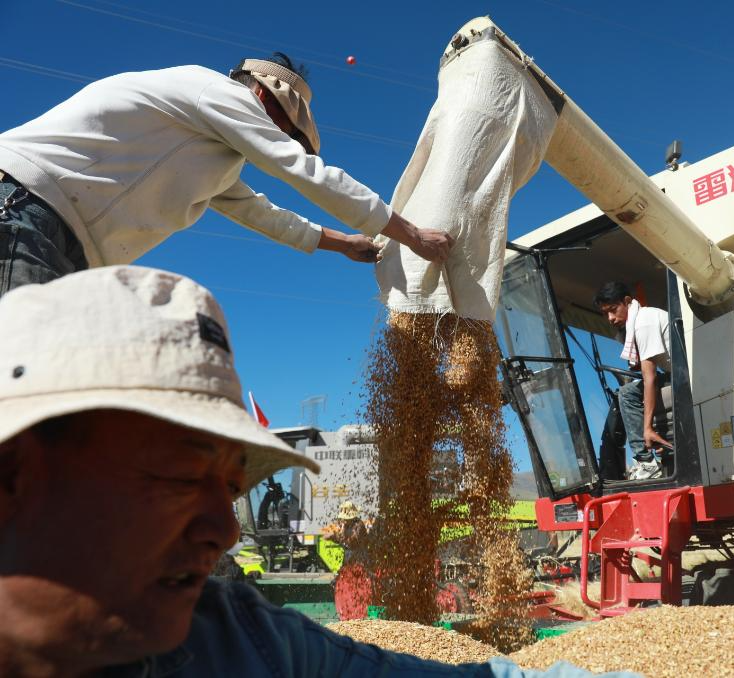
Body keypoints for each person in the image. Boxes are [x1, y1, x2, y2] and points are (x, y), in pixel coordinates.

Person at [0, 265, 639, 678]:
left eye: (232, 487)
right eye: (179, 476)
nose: (225, 530)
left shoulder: (243, 642)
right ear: (12, 473)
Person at [0, 52, 454, 299]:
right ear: (262, 94)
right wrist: (411, 234)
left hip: (59, 239)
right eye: (284, 126)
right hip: (24, 205)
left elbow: (262, 214)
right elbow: (303, 172)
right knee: (22, 395)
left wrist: (344, 244)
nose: (280, 136)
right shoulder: (215, 91)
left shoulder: (211, 155)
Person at [594, 282, 673, 480]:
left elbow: (650, 377)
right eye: (605, 314)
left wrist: (647, 428)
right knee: (632, 390)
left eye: (613, 310)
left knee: (627, 394)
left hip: (684, 378)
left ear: (627, 301)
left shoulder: (643, 323)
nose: (610, 318)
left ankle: (645, 461)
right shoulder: (642, 319)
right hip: (676, 374)